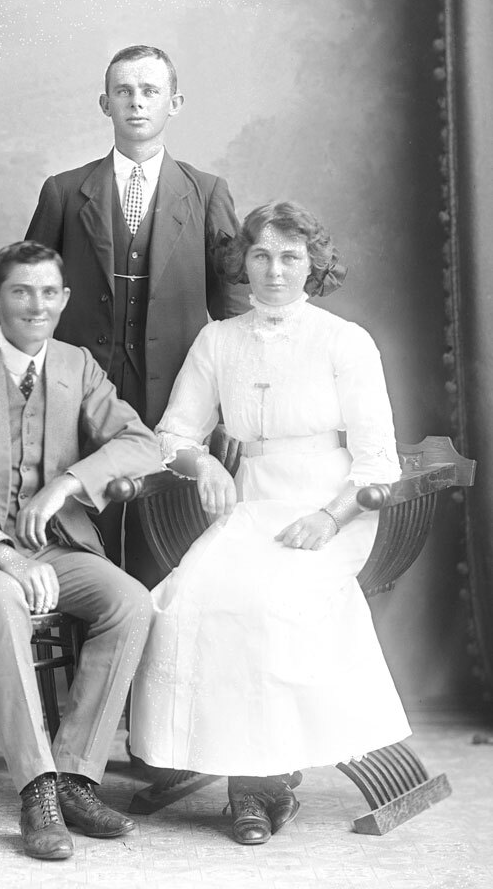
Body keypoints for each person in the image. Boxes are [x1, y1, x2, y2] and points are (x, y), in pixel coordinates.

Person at [129, 201, 412, 845]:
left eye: (290, 256)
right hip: (251, 506)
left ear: (313, 264)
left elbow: (377, 467)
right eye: (261, 254)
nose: (274, 270)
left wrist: (328, 518)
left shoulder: (344, 341)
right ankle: (218, 757)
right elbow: (174, 433)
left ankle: (259, 788)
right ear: (242, 262)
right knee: (183, 596)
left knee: (264, 602)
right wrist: (202, 466)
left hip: (328, 508)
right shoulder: (218, 340)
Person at [0, 241, 160, 861]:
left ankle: (76, 775)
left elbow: (141, 442)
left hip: (56, 549)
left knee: (130, 602)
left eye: (49, 292)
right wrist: (7, 557)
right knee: (0, 600)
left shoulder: (78, 367)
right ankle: (37, 788)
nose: (36, 305)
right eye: (22, 291)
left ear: (64, 299)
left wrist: (66, 485)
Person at [25, 44, 247, 587]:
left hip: (175, 396)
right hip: (81, 396)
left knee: (167, 548)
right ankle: (97, 658)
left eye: (150, 91)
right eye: (124, 91)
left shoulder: (205, 192)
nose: (137, 103)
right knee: (86, 543)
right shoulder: (63, 191)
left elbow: (233, 309)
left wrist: (232, 404)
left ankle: (152, 667)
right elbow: (27, 299)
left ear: (175, 102)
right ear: (105, 104)